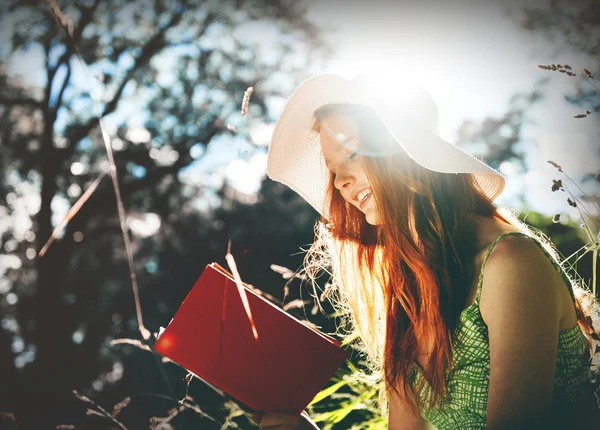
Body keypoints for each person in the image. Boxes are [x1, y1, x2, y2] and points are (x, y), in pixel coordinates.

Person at [256, 73, 599, 429]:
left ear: (407, 151)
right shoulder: (412, 287)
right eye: (333, 170)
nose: (340, 183)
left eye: (353, 153)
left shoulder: (511, 264)